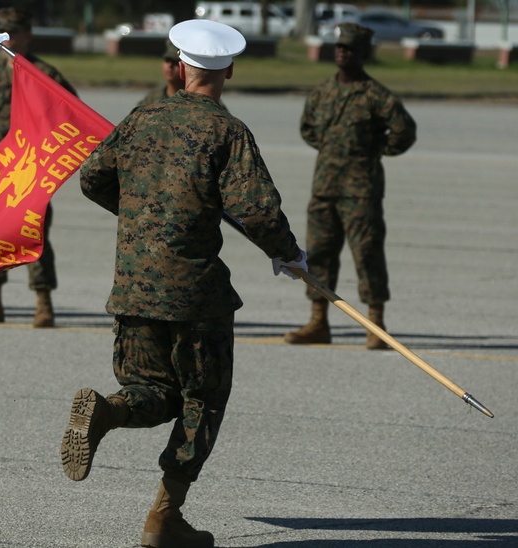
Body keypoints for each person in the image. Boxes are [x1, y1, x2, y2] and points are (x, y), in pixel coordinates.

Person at [60, 20, 306, 548]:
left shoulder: (144, 114)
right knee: (202, 399)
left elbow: (92, 177)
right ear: (229, 71)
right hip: (194, 293)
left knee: (153, 392)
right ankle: (163, 519)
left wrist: (144, 216)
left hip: (132, 285)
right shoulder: (227, 130)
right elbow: (257, 210)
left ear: (183, 67)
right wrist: (288, 256)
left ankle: (109, 410)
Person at [286, 23, 416, 350]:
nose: (343, 52)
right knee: (319, 256)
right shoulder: (321, 93)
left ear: (363, 54)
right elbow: (307, 128)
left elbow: (404, 131)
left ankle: (376, 323)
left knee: (367, 255)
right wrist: (333, 149)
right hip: (325, 188)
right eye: (340, 47)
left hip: (361, 190)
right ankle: (318, 321)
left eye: (350, 49)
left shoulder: (376, 95)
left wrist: (374, 151)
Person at [0, 6, 76, 328]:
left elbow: (70, 117)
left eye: (14, 32)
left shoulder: (47, 75)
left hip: (32, 167)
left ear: (28, 35)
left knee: (31, 232)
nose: (8, 38)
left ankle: (43, 302)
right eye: (3, 32)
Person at [136, 40, 186, 107]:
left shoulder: (192, 100)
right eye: (167, 60)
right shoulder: (152, 98)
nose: (170, 66)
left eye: (175, 62)